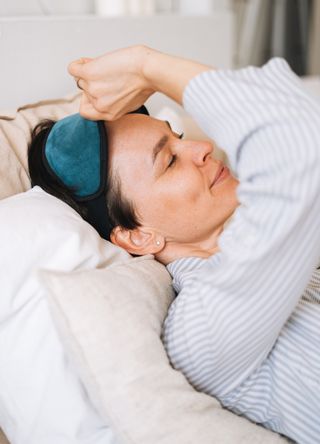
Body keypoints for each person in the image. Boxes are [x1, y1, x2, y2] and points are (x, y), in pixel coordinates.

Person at [30, 45, 320, 444]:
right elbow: (302, 148)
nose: (202, 148)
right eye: (168, 161)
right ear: (138, 235)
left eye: (178, 138)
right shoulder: (201, 328)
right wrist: (147, 67)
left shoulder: (284, 251)